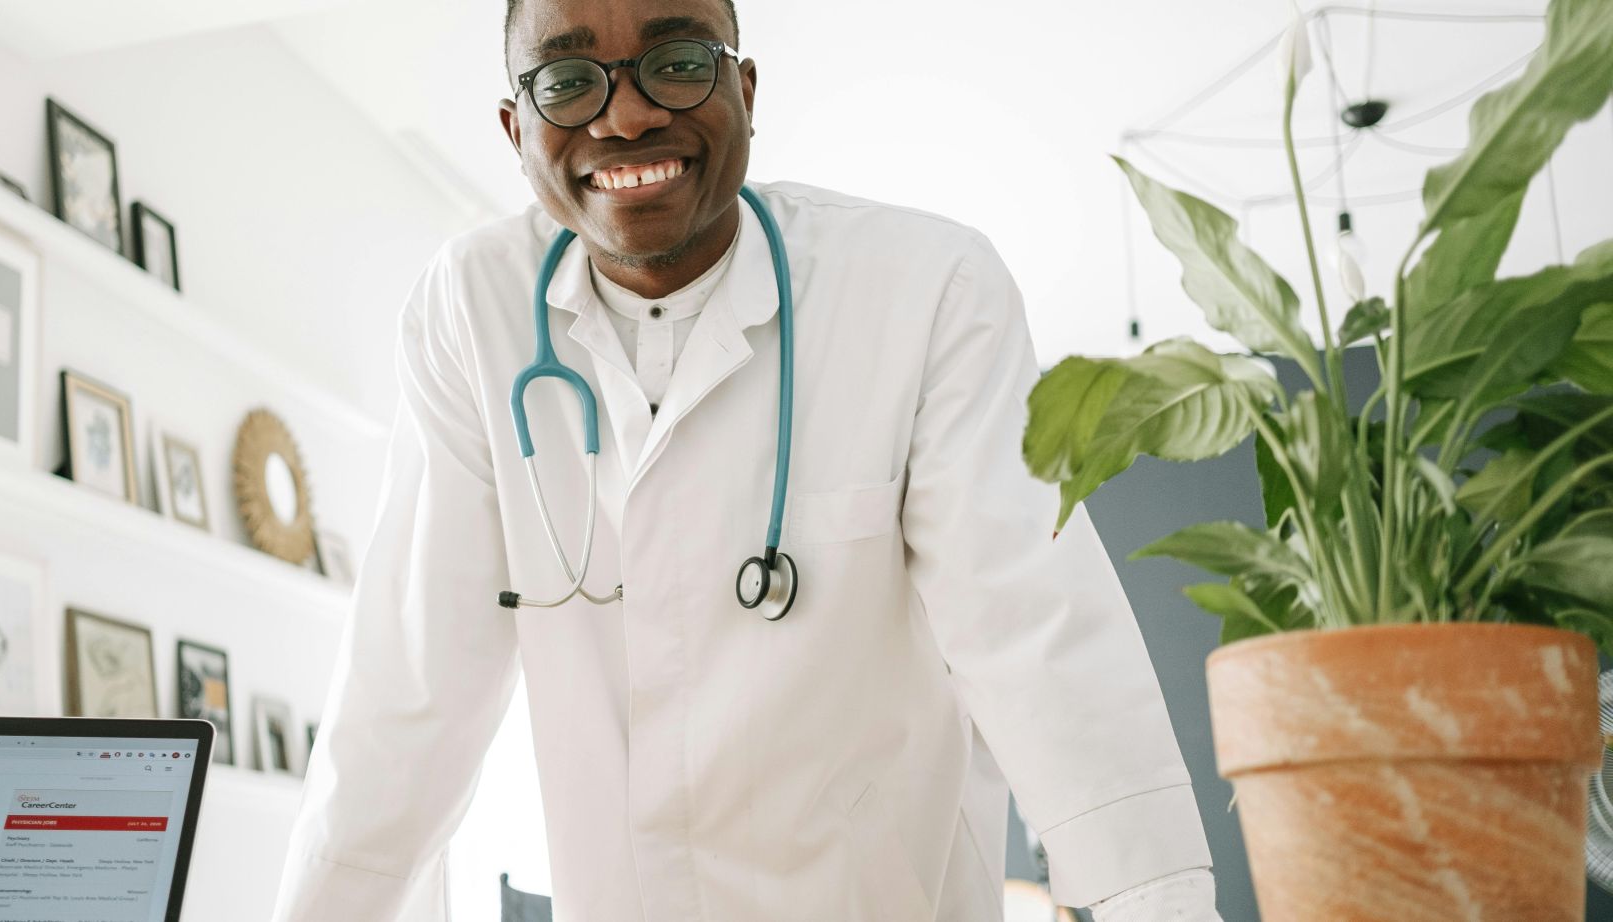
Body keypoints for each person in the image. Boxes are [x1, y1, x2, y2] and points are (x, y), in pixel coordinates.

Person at [273, 0, 1222, 919]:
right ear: (516, 128)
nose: (629, 112)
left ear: (748, 89)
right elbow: (406, 690)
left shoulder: (924, 287)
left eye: (679, 61)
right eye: (568, 80)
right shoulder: (468, 312)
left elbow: (1036, 628)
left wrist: (1163, 906)